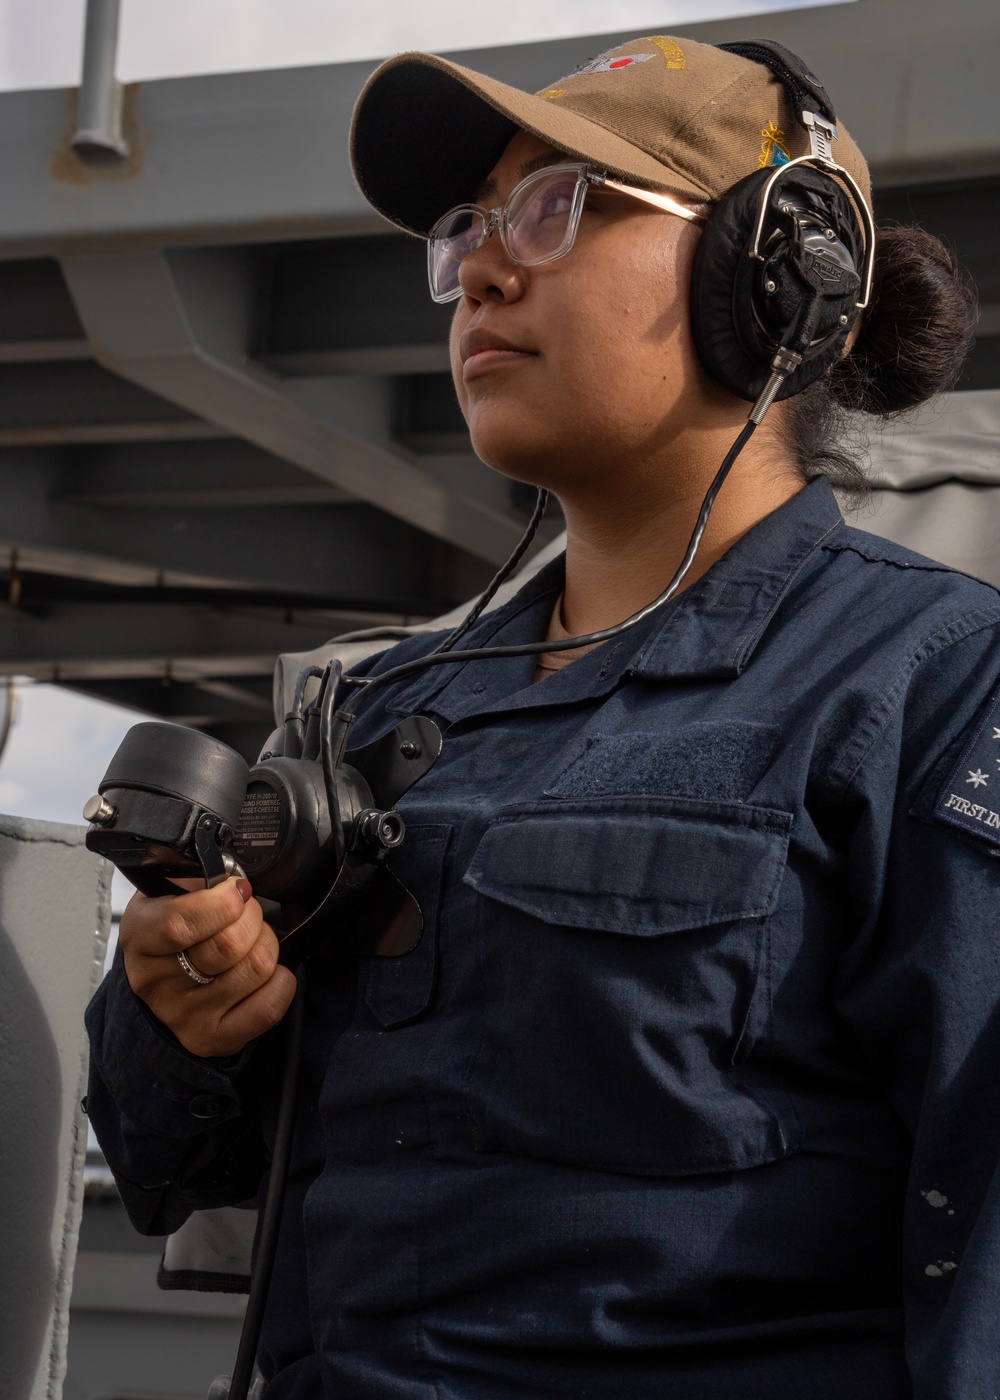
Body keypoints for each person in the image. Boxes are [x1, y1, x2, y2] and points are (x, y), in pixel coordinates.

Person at [85, 35, 1000, 1400]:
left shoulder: (933, 681)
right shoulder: (370, 715)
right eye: (466, 228)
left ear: (781, 273)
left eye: (558, 204)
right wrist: (179, 1014)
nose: (484, 269)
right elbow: (172, 1173)